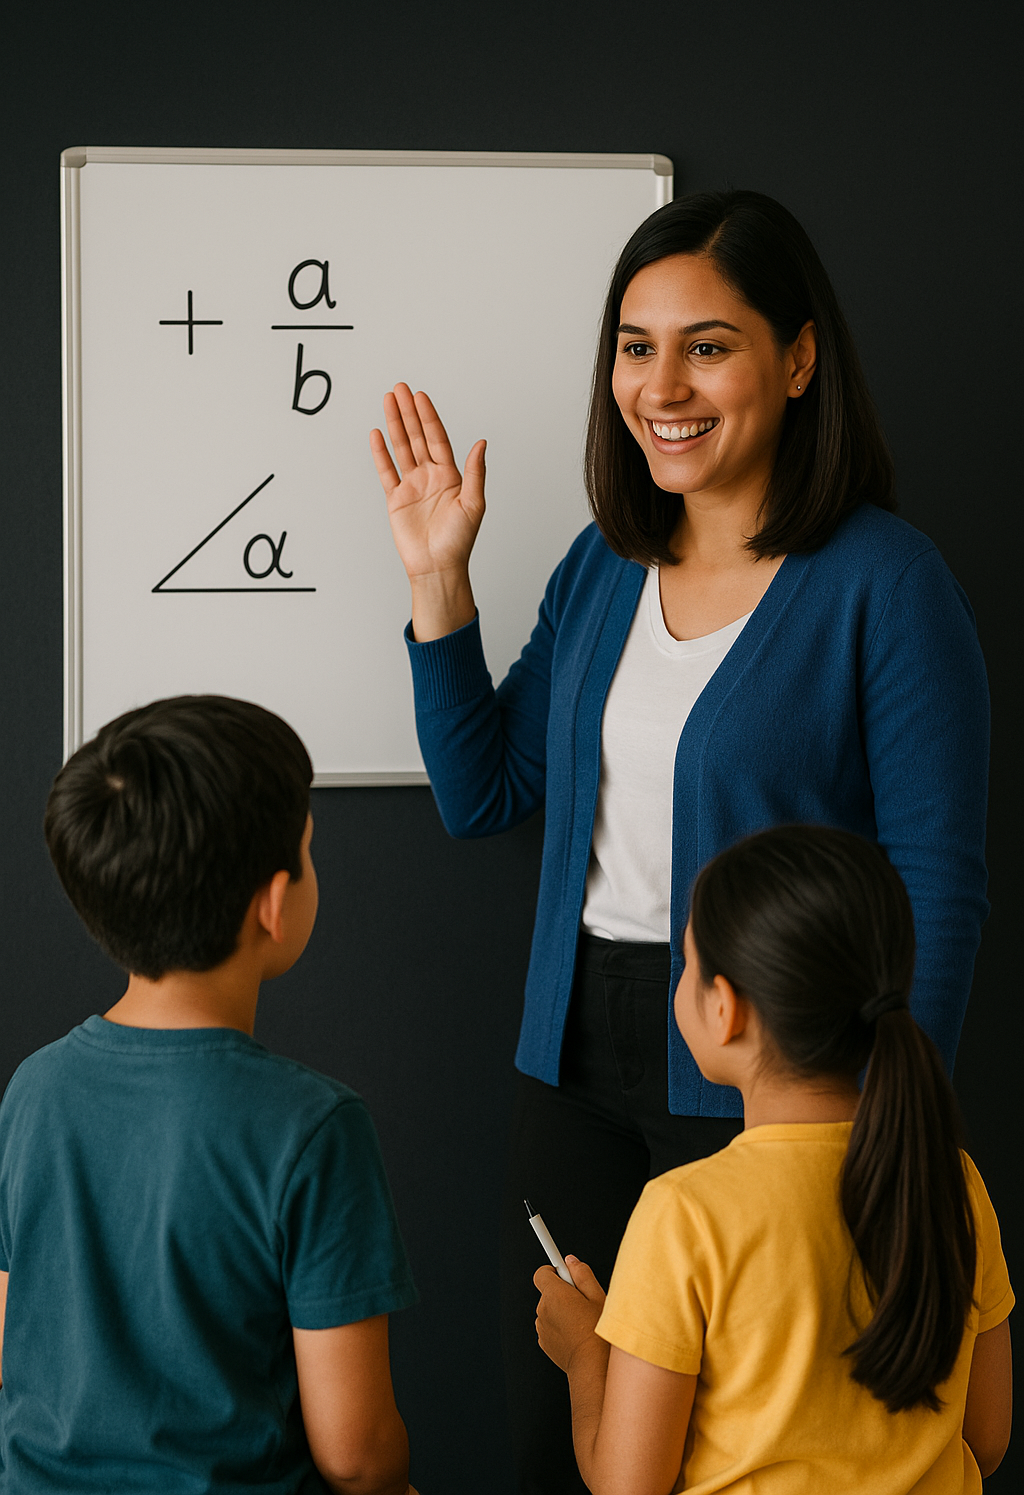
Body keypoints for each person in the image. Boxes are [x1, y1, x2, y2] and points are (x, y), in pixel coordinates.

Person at [369, 190, 990, 1492]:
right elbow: (486, 793)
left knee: (717, 1453)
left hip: (775, 1073)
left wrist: (888, 1127)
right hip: (574, 1066)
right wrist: (438, 581)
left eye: (708, 344)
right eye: (637, 346)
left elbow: (941, 876)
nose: (664, 384)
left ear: (799, 358)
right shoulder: (604, 565)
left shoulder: (888, 582)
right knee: (557, 1436)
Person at [0, 695, 419, 1495]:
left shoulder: (35, 1090)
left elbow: (9, 1346)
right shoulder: (314, 1127)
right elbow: (356, 1452)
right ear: (272, 904)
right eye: (308, 850)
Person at [534, 825, 1013, 1494]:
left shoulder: (686, 1215)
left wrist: (587, 1354)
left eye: (688, 965)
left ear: (724, 1009)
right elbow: (985, 1441)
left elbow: (628, 1484)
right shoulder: (953, 1182)